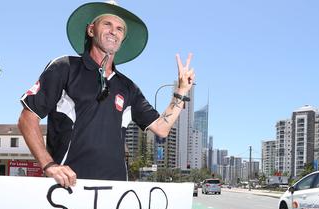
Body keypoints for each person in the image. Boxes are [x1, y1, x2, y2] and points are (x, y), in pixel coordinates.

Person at [17, 2, 195, 188]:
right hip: (67, 187)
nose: (113, 31)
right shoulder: (65, 67)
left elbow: (161, 128)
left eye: (119, 28)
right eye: (107, 24)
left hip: (115, 193)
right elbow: (27, 119)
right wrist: (49, 165)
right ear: (91, 30)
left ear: (122, 39)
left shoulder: (128, 87)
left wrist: (181, 91)